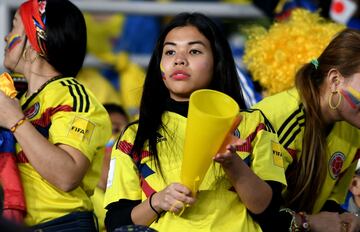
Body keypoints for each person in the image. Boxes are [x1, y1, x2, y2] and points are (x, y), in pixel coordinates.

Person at [104, 12, 287, 232]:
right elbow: (116, 222)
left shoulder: (252, 123)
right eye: (170, 51)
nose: (179, 59)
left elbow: (269, 211)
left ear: (217, 61)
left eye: (194, 51)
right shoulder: (134, 135)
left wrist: (232, 164)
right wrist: (157, 201)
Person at [0, 0, 112, 231]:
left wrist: (15, 121)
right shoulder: (16, 96)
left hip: (61, 226)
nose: (5, 37)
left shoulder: (75, 98)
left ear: (33, 39)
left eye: (14, 27)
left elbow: (67, 174)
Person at [251, 28, 360, 232]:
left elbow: (328, 204)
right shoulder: (277, 118)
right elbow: (260, 213)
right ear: (335, 80)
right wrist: (310, 222)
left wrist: (344, 220)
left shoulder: (354, 131)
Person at [91, 103, 129, 232]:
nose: (123, 139)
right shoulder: (82, 194)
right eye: (115, 130)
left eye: (127, 132)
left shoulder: (134, 189)